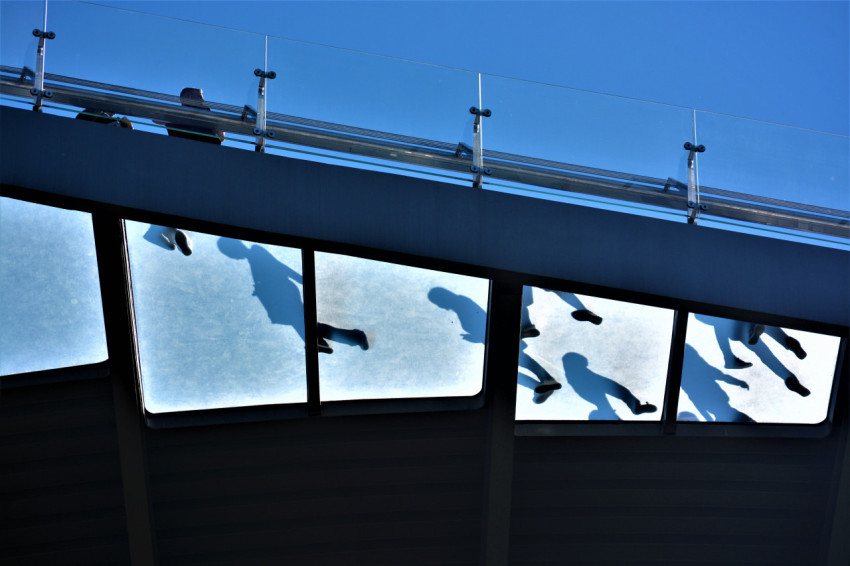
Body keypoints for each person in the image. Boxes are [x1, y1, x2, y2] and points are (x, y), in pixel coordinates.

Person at [157, 87, 224, 144]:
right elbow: (156, 119)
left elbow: (221, 137)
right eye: (199, 96)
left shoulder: (208, 115)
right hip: (182, 148)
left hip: (209, 150)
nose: (203, 100)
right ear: (188, 96)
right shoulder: (174, 114)